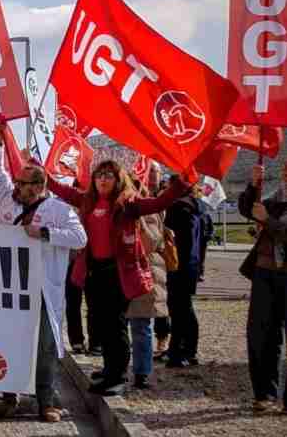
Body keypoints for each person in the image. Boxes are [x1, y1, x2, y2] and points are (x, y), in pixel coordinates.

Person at [48, 157, 188, 397]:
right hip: (93, 272)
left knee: (115, 326)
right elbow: (61, 190)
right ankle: (109, 369)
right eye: (99, 175)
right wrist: (40, 171)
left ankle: (118, 376)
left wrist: (182, 183)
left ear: (118, 179)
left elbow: (160, 202)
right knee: (101, 324)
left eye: (109, 175)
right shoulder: (88, 200)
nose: (103, 179)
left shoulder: (128, 203)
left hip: (118, 273)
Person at [0, 124, 88, 422]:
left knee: (45, 345)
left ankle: (46, 400)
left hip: (43, 289)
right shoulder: (8, 201)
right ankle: (9, 395)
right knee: (9, 340)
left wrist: (45, 233)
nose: (17, 186)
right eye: (17, 181)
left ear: (38, 185)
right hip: (9, 285)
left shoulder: (59, 210)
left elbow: (80, 238)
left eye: (23, 183)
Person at [239, 162, 287, 413]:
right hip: (264, 273)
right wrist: (253, 184)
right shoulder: (273, 200)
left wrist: (267, 221)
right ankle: (264, 394)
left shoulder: (270, 210)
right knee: (261, 335)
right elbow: (247, 209)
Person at [163, 176, 205, 369]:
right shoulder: (193, 207)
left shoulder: (179, 208)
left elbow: (180, 241)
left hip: (179, 265)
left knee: (179, 309)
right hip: (189, 265)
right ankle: (186, 349)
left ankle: (180, 351)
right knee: (184, 307)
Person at [126, 211, 167, 389]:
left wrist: (139, 221)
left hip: (142, 271)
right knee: (118, 326)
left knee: (140, 325)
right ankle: (117, 370)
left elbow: (150, 242)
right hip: (128, 268)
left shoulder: (148, 211)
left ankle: (141, 372)